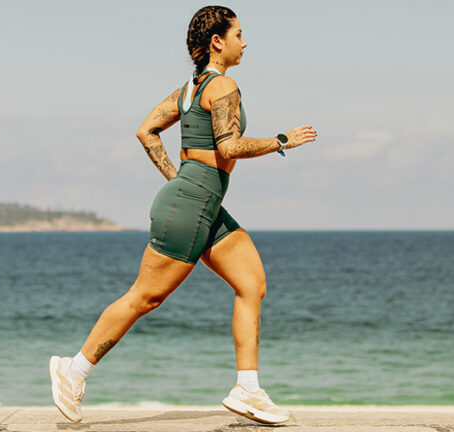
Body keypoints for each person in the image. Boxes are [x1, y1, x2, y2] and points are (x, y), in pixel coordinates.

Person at [49, 5, 316, 424]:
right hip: (192, 203)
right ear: (217, 41)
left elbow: (146, 130)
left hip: (200, 202)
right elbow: (229, 147)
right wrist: (282, 140)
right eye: (239, 34)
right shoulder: (223, 85)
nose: (245, 43)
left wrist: (179, 180)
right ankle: (73, 369)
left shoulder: (189, 90)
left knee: (252, 283)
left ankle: (247, 389)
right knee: (145, 297)